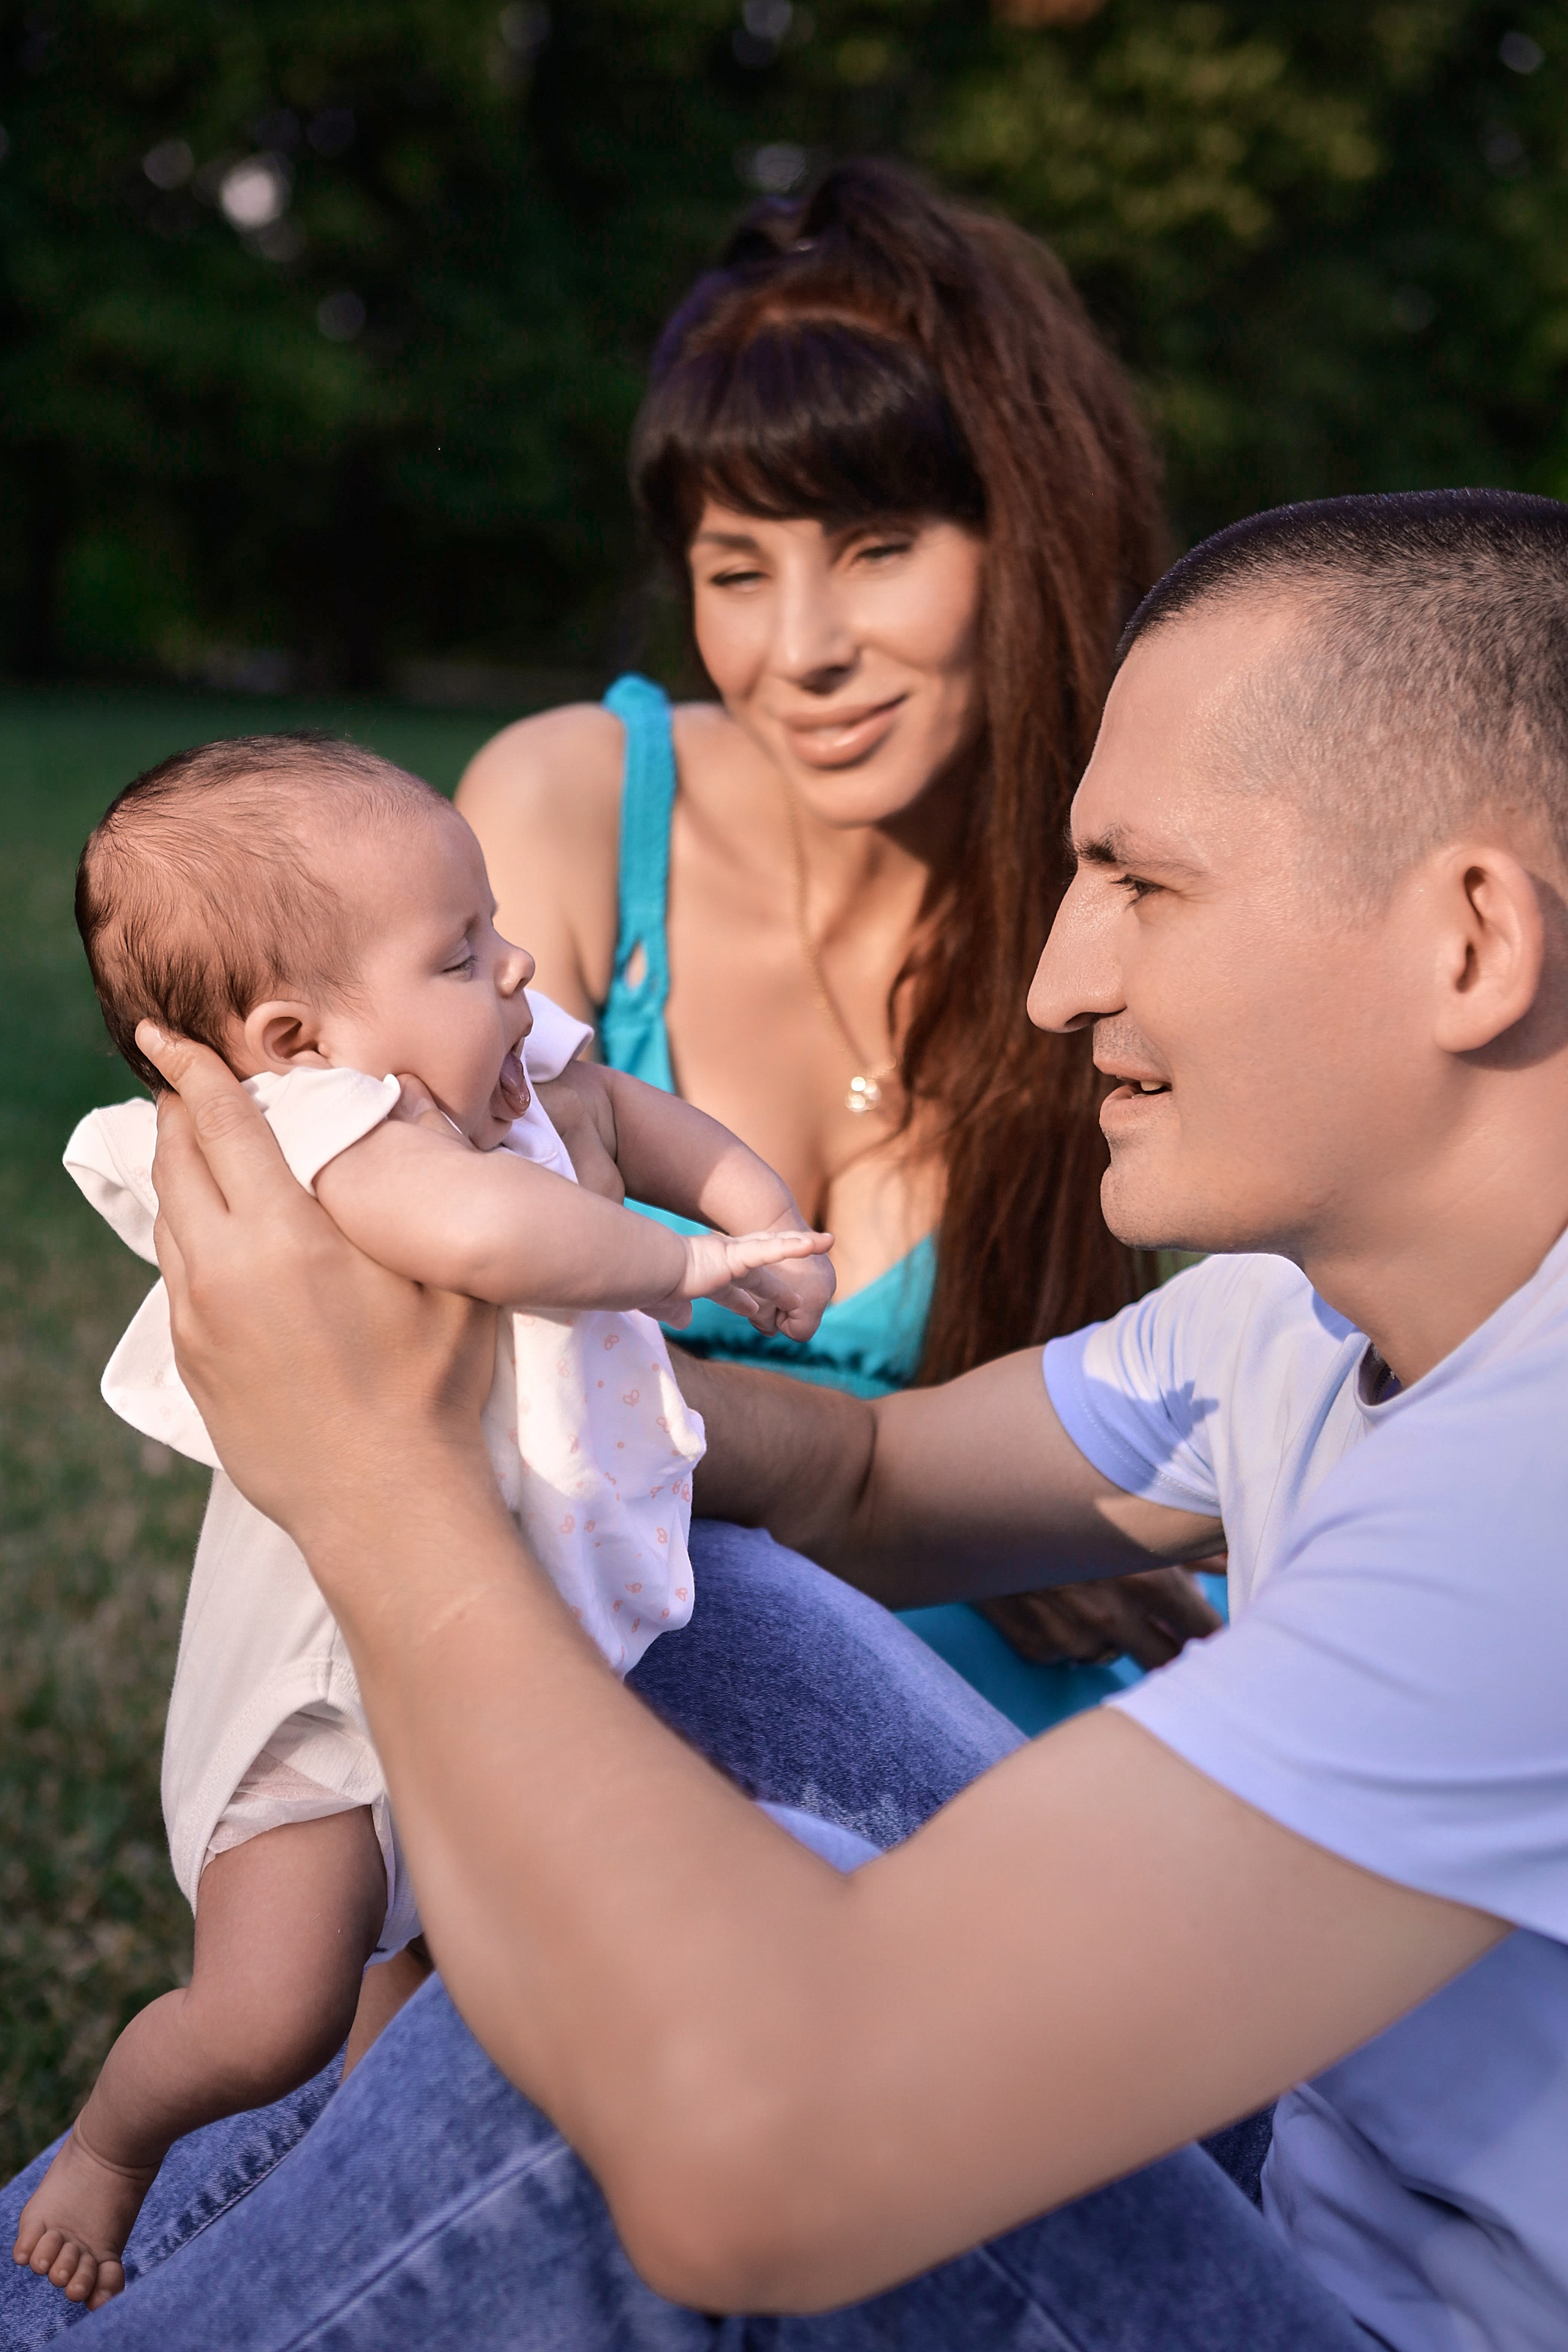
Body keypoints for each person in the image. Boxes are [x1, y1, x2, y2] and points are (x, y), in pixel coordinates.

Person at [5, 484, 1565, 2349]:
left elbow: (758, 2160)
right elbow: (876, 1473)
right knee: (688, 1612)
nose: (1064, 983)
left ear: (1474, 937)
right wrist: (500, 1394)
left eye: (1145, 882)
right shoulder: (1301, 1327)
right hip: (1303, 2175)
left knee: (646, 2063)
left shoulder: (1532, 1502)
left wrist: (374, 1481)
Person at [15, 731, 831, 2310]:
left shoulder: (490, 1049)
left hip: (478, 1638)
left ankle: (365, 2187)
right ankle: (116, 2148)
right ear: (295, 1035)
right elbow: (487, 1229)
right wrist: (675, 1268)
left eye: (490, 923)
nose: (513, 962)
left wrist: (750, 1212)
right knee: (272, 2010)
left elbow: (637, 1112)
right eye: (461, 949)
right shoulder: (322, 1136)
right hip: (326, 1699)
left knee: (451, 1994)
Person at [456, 157, 1221, 1717]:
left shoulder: (1130, 889)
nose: (799, 652)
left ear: (1032, 537)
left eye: (877, 548)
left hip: (1020, 1678)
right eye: (736, 572)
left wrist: (1049, 1508)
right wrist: (965, 1514)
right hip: (620, 1654)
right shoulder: (574, 814)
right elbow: (460, 1375)